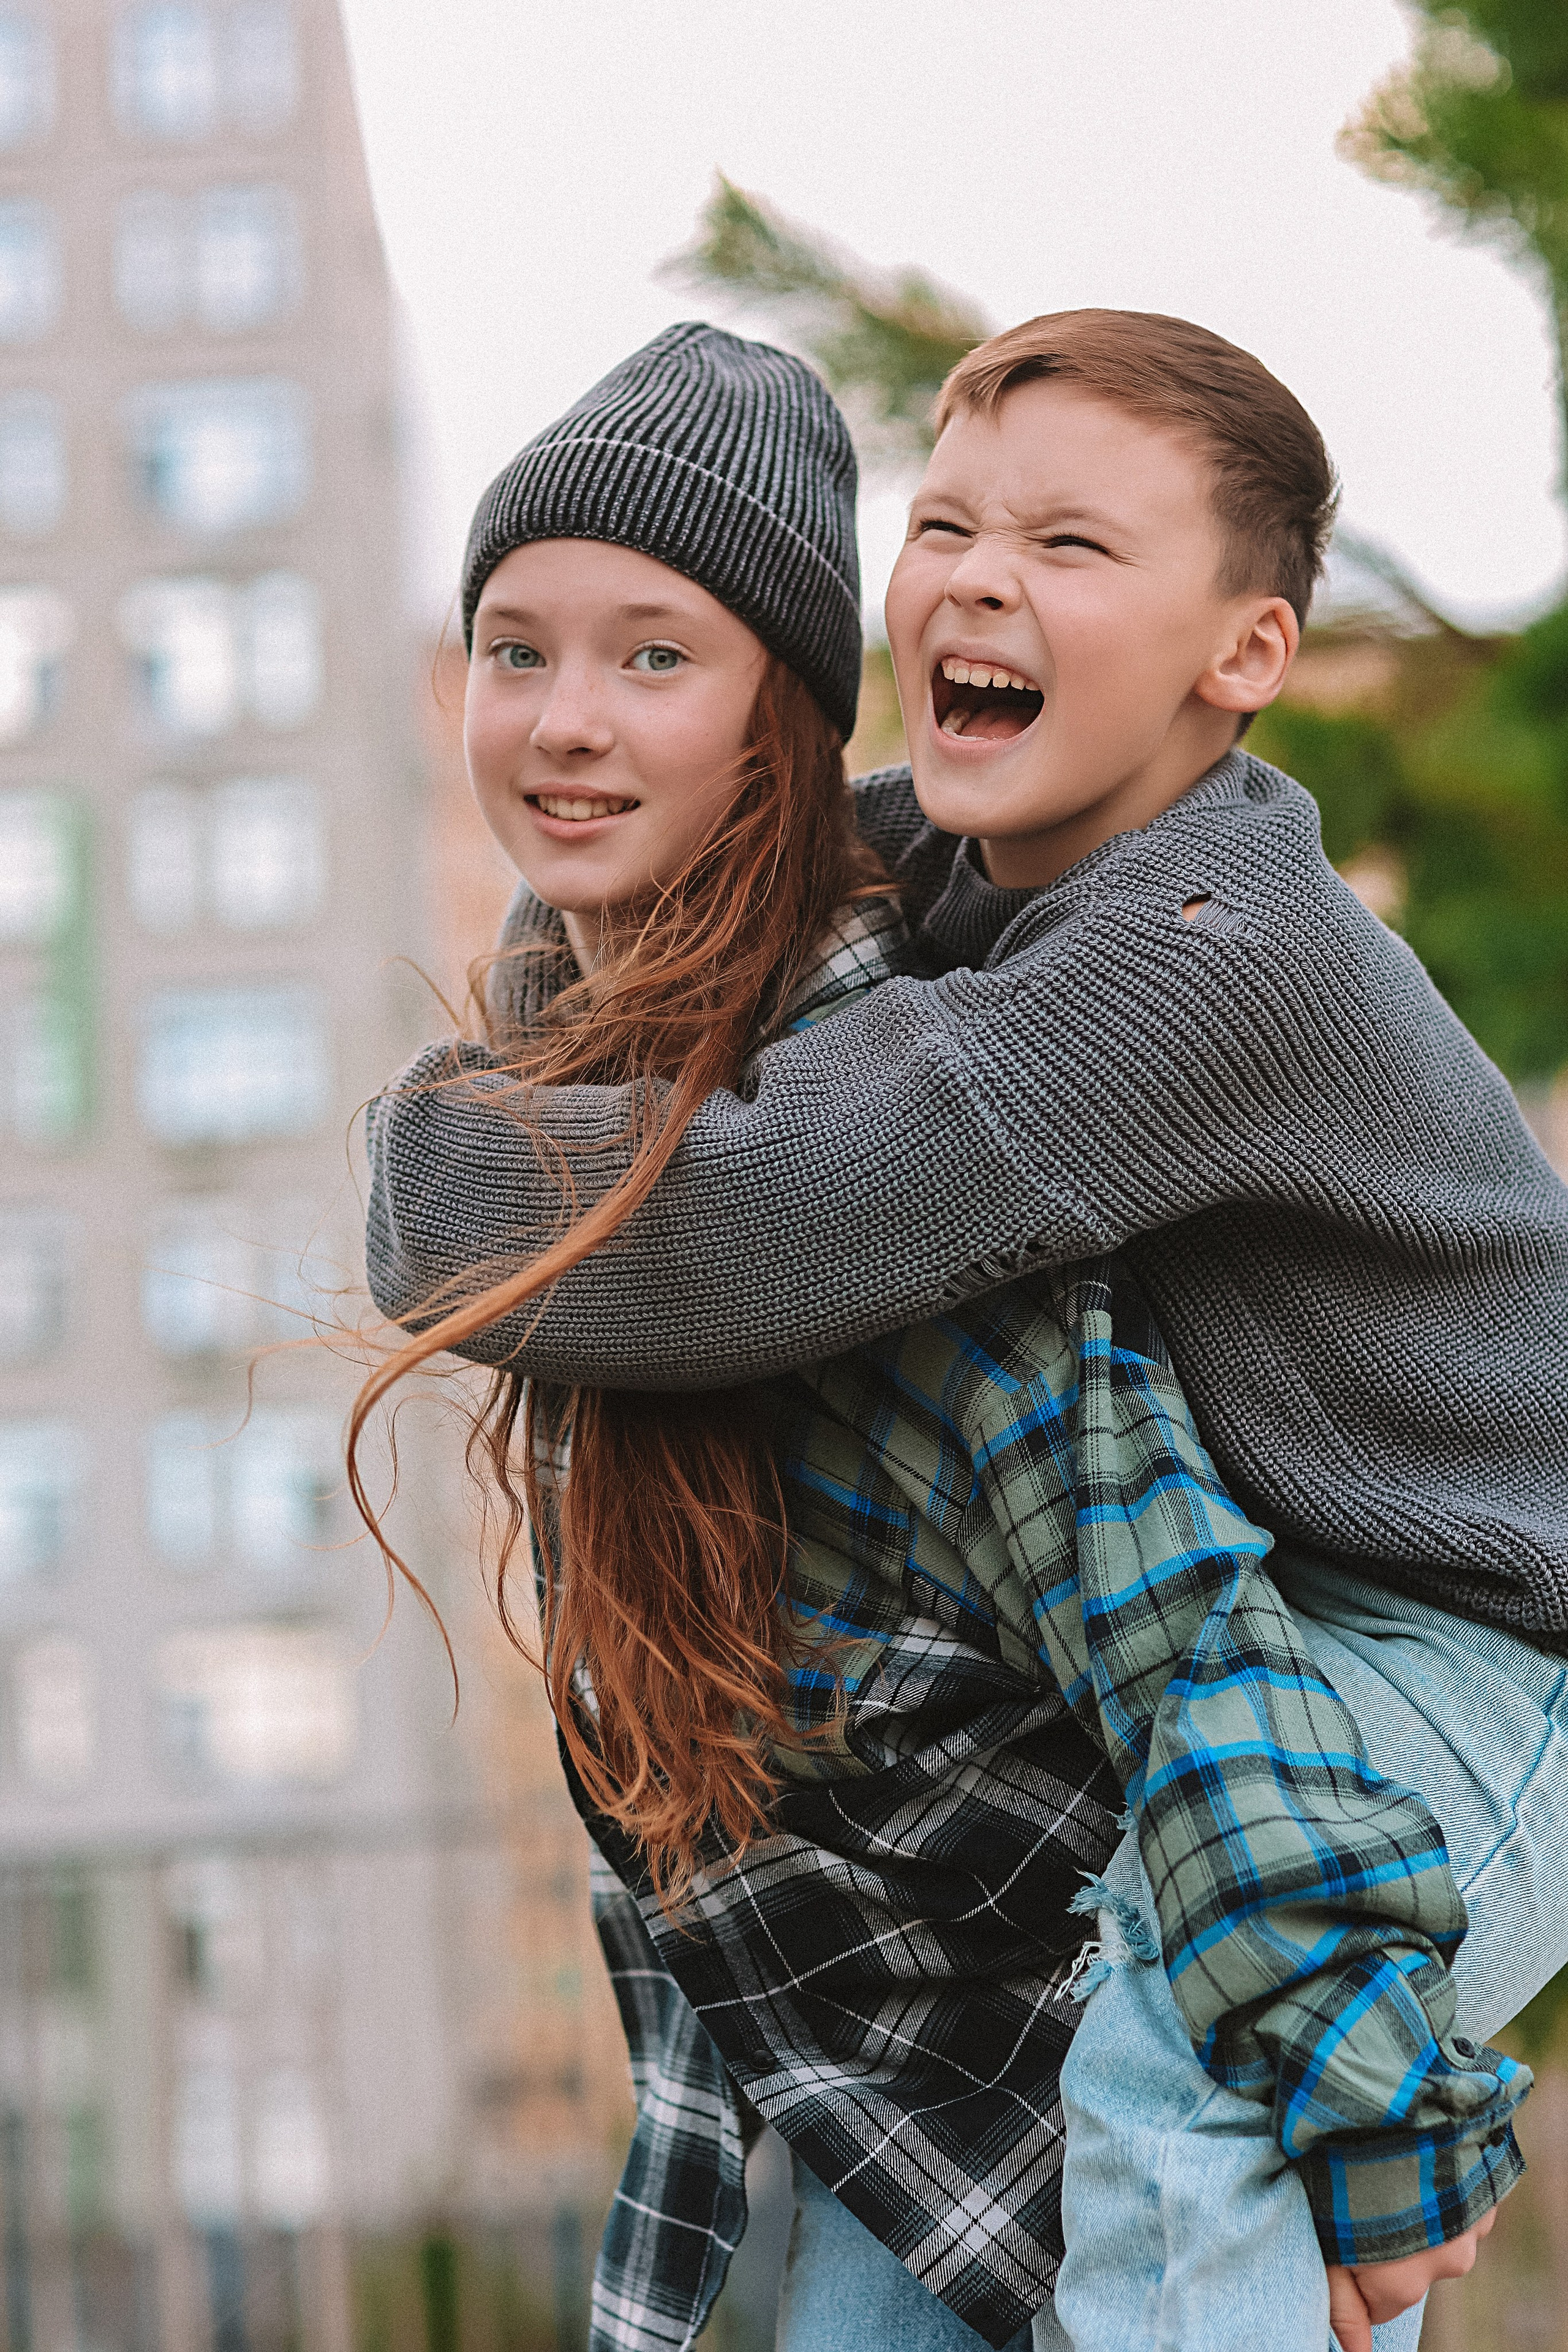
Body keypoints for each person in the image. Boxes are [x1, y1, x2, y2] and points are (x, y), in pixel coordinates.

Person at [359, 318, 1568, 2351]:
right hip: (1214, 1638)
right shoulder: (927, 862)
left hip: (1482, 1634)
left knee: (1197, 2057)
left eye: (1075, 544)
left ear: (1245, 653)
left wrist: (424, 1161)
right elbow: (632, 927)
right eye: (947, 526)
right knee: (888, 2281)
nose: (985, 578)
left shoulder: (1209, 957)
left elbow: (727, 1228)